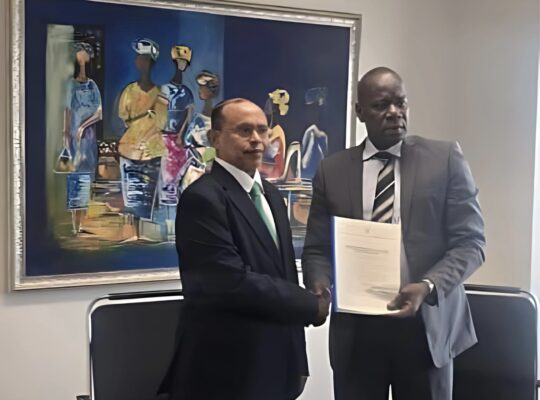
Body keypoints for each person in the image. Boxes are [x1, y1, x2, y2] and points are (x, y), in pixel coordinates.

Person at [302, 67, 486, 400]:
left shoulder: (444, 159)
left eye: (401, 103)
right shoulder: (333, 170)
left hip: (426, 327)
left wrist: (428, 285)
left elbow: (471, 243)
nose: (394, 113)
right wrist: (319, 286)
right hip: (358, 333)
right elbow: (317, 248)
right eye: (381, 105)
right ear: (359, 111)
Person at [160, 98, 331, 400]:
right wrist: (309, 305)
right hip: (224, 371)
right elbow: (230, 282)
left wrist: (297, 360)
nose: (256, 139)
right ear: (215, 138)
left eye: (262, 130)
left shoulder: (272, 196)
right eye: (244, 130)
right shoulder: (202, 198)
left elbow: (285, 276)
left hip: (277, 364)